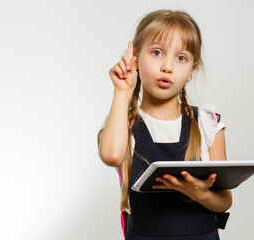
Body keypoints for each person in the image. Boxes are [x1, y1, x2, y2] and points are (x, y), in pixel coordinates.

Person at [97, 9, 232, 240]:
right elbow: (111, 156)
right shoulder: (123, 122)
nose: (167, 67)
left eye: (181, 58)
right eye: (157, 52)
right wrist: (122, 93)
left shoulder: (207, 125)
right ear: (136, 58)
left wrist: (199, 193)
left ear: (191, 70)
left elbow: (224, 201)